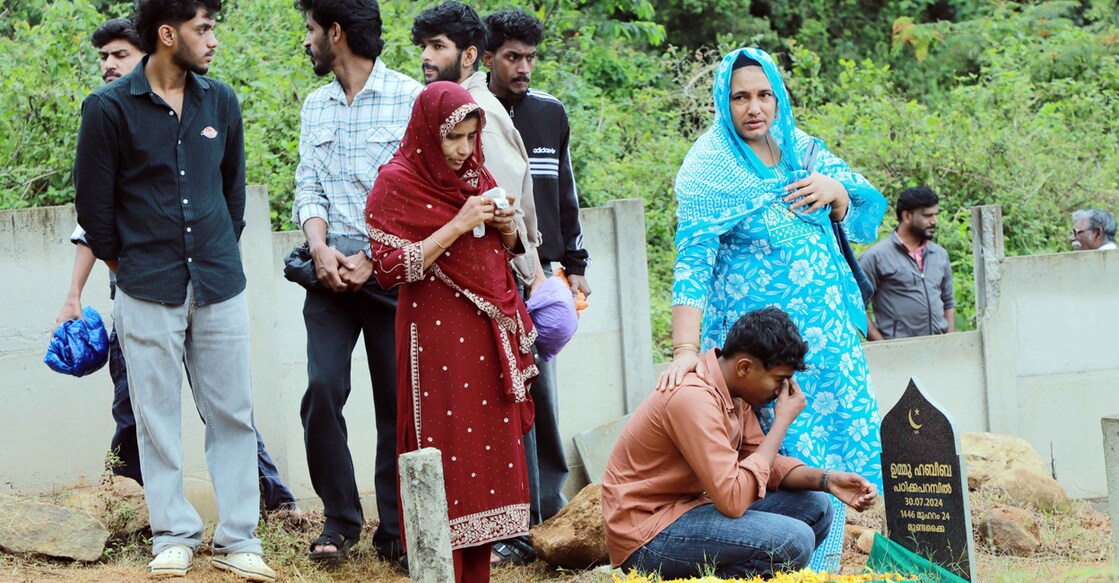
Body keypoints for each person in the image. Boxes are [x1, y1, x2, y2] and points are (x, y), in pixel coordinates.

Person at [56, 19, 298, 513]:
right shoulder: (106, 109)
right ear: (168, 34)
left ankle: (246, 528)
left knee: (231, 413)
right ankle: (167, 529)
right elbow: (94, 214)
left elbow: (232, 194)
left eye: (214, 28)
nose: (213, 40)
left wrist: (216, 254)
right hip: (143, 287)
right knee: (150, 417)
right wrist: (129, 271)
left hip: (216, 283)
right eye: (204, 28)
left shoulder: (220, 101)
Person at [660, 47, 887, 572]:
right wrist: (685, 351)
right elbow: (692, 262)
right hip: (763, 357)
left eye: (764, 95)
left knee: (833, 449)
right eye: (740, 97)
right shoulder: (710, 167)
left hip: (828, 343)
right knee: (780, 450)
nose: (754, 107)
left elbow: (863, 201)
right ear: (723, 102)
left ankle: (823, 564)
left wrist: (837, 193)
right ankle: (788, 558)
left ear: (779, 98)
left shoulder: (801, 151)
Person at [366, 81, 537, 583]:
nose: (465, 150)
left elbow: (504, 250)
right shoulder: (396, 182)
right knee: (444, 463)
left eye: (470, 136)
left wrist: (506, 225)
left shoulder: (474, 174)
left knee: (485, 464)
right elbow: (391, 268)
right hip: (435, 343)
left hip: (487, 339)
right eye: (454, 139)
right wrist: (459, 224)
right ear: (427, 134)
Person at [603, 307, 877, 579]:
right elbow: (732, 500)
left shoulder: (734, 392)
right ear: (745, 367)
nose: (781, 391)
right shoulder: (693, 398)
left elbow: (763, 461)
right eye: (779, 380)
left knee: (817, 505)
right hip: (649, 535)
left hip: (690, 509)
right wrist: (781, 423)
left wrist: (827, 480)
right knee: (793, 541)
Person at [291, 0, 420, 563]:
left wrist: (374, 255)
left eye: (311, 30)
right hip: (328, 276)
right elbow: (307, 187)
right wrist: (319, 249)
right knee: (322, 391)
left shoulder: (411, 98)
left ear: (335, 32)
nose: (307, 41)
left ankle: (395, 532)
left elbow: (423, 197)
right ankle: (339, 522)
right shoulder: (315, 105)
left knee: (397, 405)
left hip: (390, 274)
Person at [483, 9, 589, 563]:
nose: (523, 68)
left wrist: (576, 263)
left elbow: (565, 192)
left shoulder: (550, 113)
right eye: (512, 57)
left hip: (542, 280)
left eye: (530, 57)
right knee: (499, 399)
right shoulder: (470, 113)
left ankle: (546, 513)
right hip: (486, 277)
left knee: (539, 395)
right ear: (487, 57)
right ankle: (505, 519)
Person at [411, 0, 544, 291]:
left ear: (470, 55)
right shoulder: (446, 108)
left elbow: (507, 204)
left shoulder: (480, 112)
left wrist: (530, 276)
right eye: (423, 47)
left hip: (495, 277)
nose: (425, 56)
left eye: (437, 46)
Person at [859, 186, 956, 340]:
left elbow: (948, 302)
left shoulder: (940, 254)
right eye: (927, 216)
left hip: (941, 351)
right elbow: (858, 307)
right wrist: (883, 346)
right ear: (906, 216)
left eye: (935, 215)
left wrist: (951, 340)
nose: (934, 221)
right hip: (900, 354)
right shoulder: (875, 257)